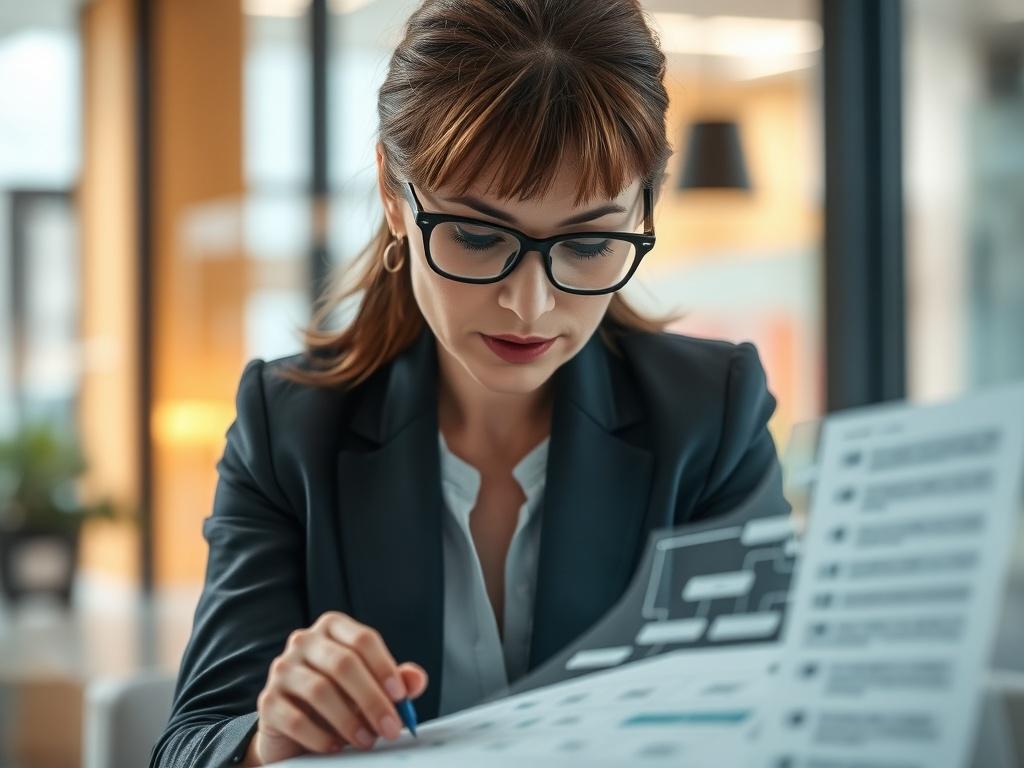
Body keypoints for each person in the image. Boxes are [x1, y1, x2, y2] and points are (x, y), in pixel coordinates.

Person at [150, 0, 786, 765]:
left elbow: (771, 714)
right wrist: (268, 741)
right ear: (393, 193)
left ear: (646, 208)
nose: (531, 304)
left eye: (588, 244)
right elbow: (191, 741)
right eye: (479, 236)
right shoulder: (287, 429)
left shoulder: (711, 419)